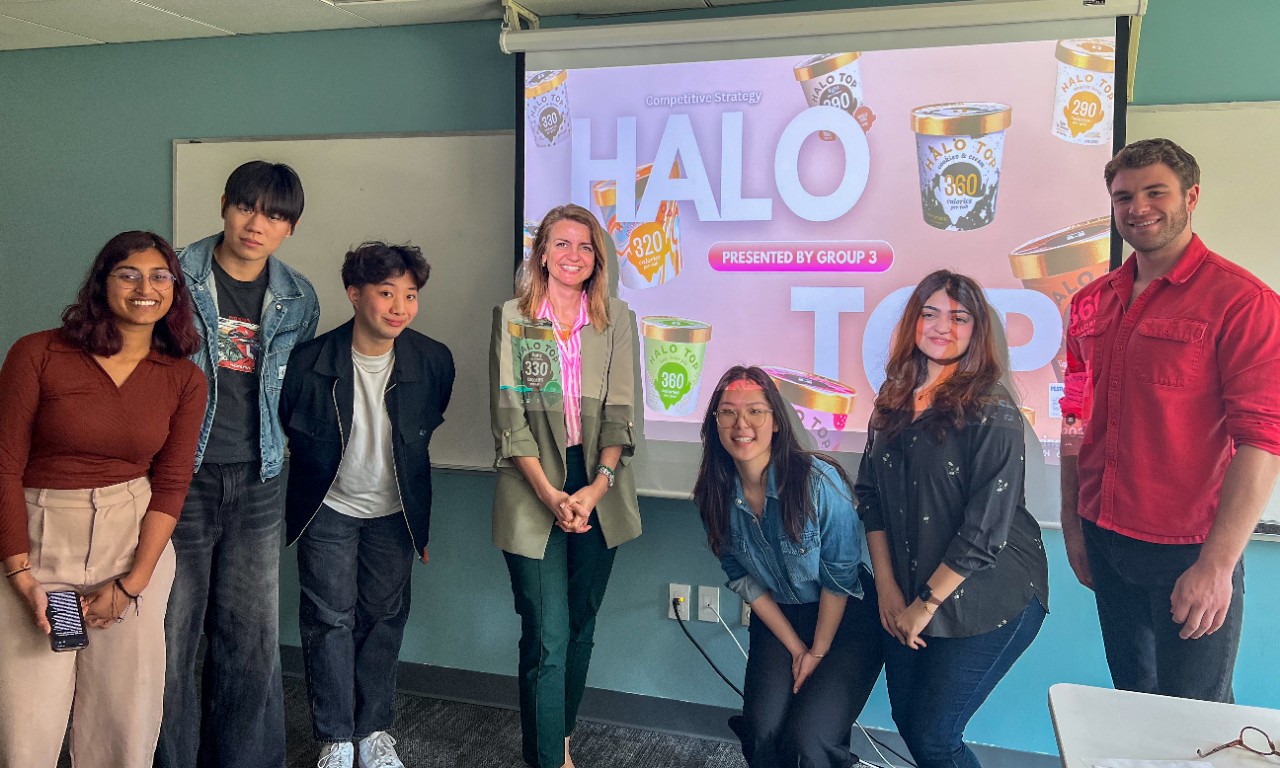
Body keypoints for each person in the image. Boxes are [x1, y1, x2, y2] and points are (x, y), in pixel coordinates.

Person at [1059, 138, 1280, 702]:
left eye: (1155, 192)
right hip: (1104, 537)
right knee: (1135, 698)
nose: (1138, 208)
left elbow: (1262, 441)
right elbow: (1074, 419)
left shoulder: (1242, 302)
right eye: (1123, 197)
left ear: (1191, 197)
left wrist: (1217, 566)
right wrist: (1073, 521)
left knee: (1195, 717)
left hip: (1188, 550)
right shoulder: (1089, 303)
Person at [0, 231, 206, 766]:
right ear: (102, 282)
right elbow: (4, 464)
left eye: (160, 277)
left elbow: (172, 483)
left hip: (129, 541)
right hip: (38, 541)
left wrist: (133, 584)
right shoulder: (37, 353)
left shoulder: (184, 379)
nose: (145, 289)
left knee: (124, 723)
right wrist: (19, 573)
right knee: (26, 726)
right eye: (128, 275)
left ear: (175, 290)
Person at [159, 160, 321, 768]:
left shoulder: (298, 296)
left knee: (250, 636)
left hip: (258, 476)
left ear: (290, 228)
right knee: (171, 633)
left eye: (275, 216)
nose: (257, 225)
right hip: (181, 474)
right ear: (225, 204)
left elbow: (292, 387)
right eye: (247, 207)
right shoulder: (173, 275)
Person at [854, 270, 1048, 768]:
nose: (942, 326)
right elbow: (870, 497)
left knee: (934, 736)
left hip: (988, 592)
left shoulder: (992, 407)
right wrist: (888, 589)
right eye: (930, 313)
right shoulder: (892, 398)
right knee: (909, 722)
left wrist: (924, 605)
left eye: (958, 317)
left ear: (976, 330)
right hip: (906, 586)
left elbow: (985, 529)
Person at [280, 242, 455, 768]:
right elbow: (292, 423)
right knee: (328, 619)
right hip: (328, 508)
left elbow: (425, 430)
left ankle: (373, 729)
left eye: (410, 295)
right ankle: (335, 735)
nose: (400, 307)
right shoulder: (310, 361)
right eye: (386, 293)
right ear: (355, 294)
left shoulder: (432, 360)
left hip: (394, 514)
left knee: (383, 620)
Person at [489, 203, 641, 768]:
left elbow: (621, 415)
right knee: (547, 632)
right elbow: (510, 420)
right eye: (561, 243)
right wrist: (550, 494)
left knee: (579, 627)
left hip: (598, 482)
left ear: (597, 258)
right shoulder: (516, 318)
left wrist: (596, 487)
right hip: (532, 483)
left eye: (584, 246)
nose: (573, 255)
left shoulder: (615, 318)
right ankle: (548, 760)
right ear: (542, 254)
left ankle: (561, 742)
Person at [692, 366, 882, 768]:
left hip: (846, 617)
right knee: (762, 730)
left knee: (808, 739)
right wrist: (797, 648)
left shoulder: (819, 482)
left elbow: (840, 579)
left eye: (755, 411)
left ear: (776, 421)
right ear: (715, 422)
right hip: (781, 617)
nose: (741, 424)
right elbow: (742, 578)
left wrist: (817, 652)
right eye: (728, 412)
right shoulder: (714, 494)